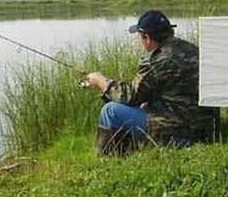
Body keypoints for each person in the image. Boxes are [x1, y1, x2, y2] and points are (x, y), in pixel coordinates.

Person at [86, 10, 220, 155]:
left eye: (140, 37)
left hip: (180, 131)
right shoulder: (192, 49)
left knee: (111, 111)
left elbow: (131, 96)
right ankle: (130, 153)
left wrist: (100, 81)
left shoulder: (157, 59)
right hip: (207, 128)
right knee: (142, 105)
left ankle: (110, 159)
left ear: (147, 38)